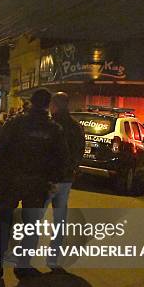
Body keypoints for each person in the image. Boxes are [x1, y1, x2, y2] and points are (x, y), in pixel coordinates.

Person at [0, 89, 70, 278]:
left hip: (11, 181)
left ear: (30, 102)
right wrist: (52, 181)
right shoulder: (54, 129)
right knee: (31, 225)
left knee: (3, 221)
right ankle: (23, 264)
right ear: (48, 105)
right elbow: (61, 160)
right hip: (38, 185)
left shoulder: (15, 123)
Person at [46, 92, 85, 270]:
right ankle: (53, 259)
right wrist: (72, 169)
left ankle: (25, 257)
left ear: (54, 105)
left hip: (47, 178)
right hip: (65, 180)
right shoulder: (76, 127)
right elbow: (79, 152)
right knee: (59, 220)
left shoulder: (50, 125)